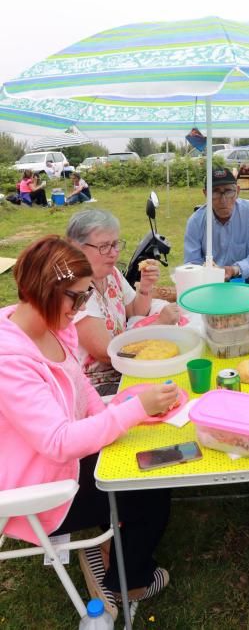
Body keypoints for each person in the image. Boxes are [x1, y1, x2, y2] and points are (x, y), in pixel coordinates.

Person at [0, 236, 180, 619]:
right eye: (78, 299)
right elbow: (57, 442)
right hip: (39, 489)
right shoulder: (9, 360)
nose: (82, 308)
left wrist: (130, 410)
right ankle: (129, 581)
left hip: (59, 462)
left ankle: (113, 547)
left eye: (86, 298)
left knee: (140, 450)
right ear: (45, 291)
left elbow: (82, 391)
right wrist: (129, 414)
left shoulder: (48, 324)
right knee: (151, 484)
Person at [66, 209, 180, 394]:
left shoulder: (111, 274)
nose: (113, 253)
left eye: (115, 244)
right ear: (76, 247)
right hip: (97, 385)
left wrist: (145, 287)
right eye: (104, 246)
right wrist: (159, 324)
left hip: (126, 368)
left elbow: (135, 312)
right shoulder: (74, 289)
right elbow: (107, 353)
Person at [184, 167, 249, 282]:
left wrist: (234, 269)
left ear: (238, 191)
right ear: (206, 194)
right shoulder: (195, 222)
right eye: (215, 192)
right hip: (208, 282)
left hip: (243, 278)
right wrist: (206, 271)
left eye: (229, 191)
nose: (223, 200)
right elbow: (192, 262)